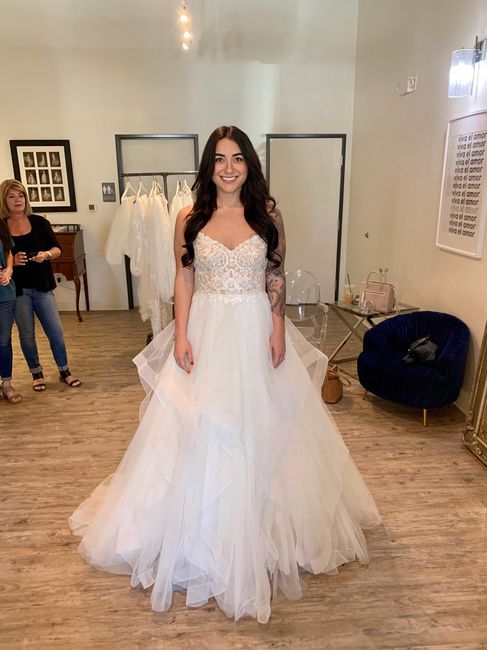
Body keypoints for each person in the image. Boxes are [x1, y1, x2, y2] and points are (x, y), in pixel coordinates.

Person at [69, 126, 380, 623]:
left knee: (268, 426)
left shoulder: (268, 215)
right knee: (200, 426)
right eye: (219, 159)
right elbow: (184, 276)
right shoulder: (189, 216)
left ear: (249, 164)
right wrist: (182, 334)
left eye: (237, 158)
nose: (229, 168)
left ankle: (265, 529)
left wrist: (277, 328)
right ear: (208, 166)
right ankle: (201, 537)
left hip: (255, 326)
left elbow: (274, 273)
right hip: (208, 330)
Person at [0, 179, 81, 390]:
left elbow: (57, 248)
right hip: (18, 290)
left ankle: (64, 370)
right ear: (4, 200)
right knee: (27, 335)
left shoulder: (39, 222)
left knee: (55, 331)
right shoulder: (1, 226)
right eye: (11, 196)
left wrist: (46, 255)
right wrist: (13, 262)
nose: (17, 200)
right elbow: (3, 257)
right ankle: (36, 373)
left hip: (43, 286)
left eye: (20, 195)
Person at [0, 214, 22, 404]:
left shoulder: (1, 225)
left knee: (4, 341)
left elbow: (8, 251)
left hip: (5, 294)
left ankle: (6, 384)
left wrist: (9, 270)